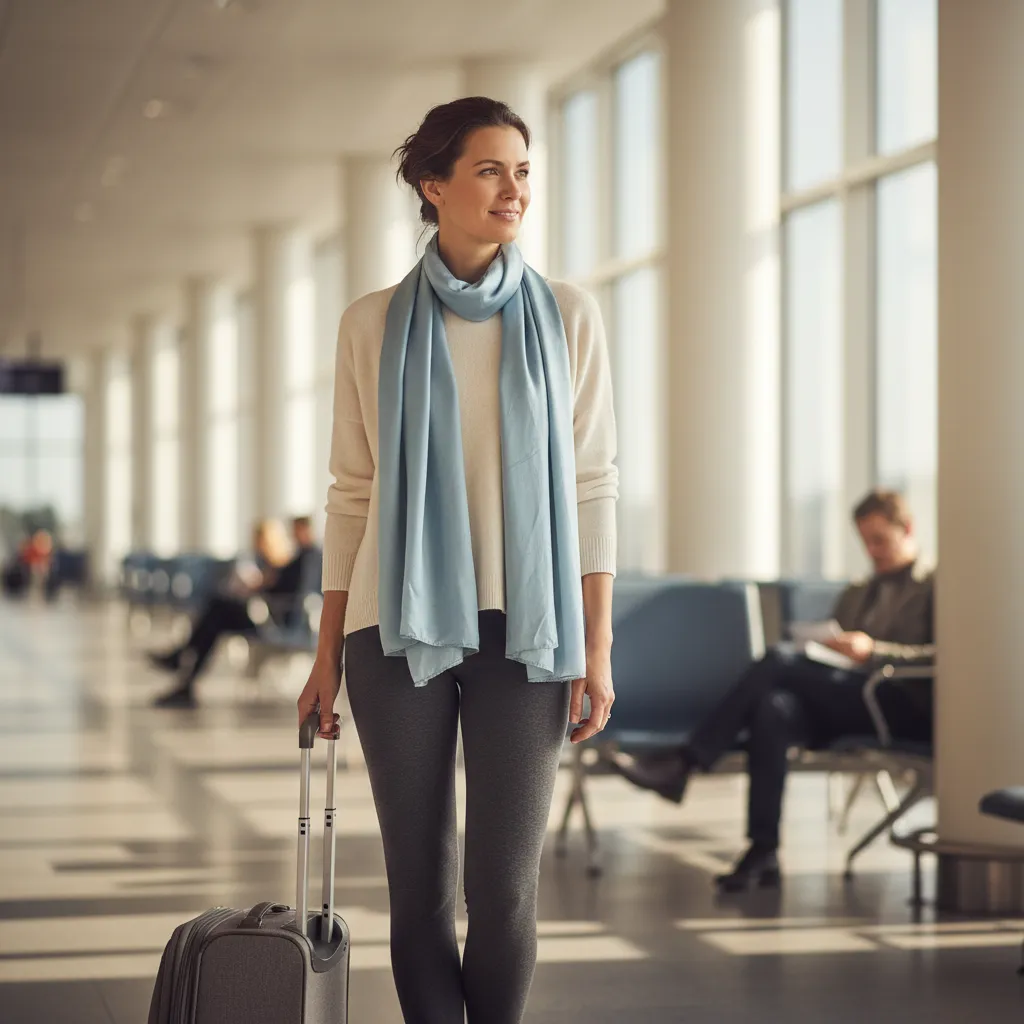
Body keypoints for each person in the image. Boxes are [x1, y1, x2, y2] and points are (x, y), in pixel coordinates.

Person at [296, 97, 619, 1024]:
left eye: (522, 170)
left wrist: (599, 648)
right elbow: (351, 492)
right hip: (390, 631)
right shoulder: (371, 323)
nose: (513, 188)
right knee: (421, 888)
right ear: (434, 187)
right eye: (489, 169)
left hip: (530, 629)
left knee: (506, 887)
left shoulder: (567, 316)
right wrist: (325, 654)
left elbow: (594, 485)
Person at [612, 489, 935, 892]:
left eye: (880, 540)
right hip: (845, 697)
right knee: (772, 708)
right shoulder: (857, 592)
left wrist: (874, 650)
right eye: (865, 542)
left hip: (896, 701)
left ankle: (687, 761)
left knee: (779, 660)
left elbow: (945, 656)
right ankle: (762, 850)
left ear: (908, 529)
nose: (872, 551)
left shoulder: (935, 586)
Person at [151, 517, 318, 707]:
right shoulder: (302, 557)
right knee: (216, 615)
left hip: (276, 619)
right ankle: (184, 673)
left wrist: (262, 584)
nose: (292, 535)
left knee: (217, 610)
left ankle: (182, 663)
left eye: (296, 530)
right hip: (269, 612)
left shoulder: (306, 559)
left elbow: (287, 591)